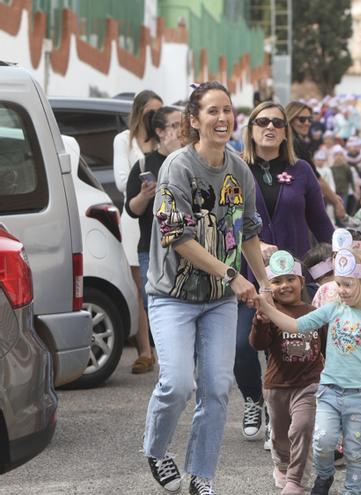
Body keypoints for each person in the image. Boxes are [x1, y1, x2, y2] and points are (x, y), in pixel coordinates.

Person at [143, 81, 270, 495]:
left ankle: (202, 474)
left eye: (228, 110)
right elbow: (177, 236)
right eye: (212, 111)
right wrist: (232, 276)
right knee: (178, 384)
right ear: (194, 121)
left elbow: (248, 233)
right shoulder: (177, 167)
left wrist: (264, 284)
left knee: (217, 387)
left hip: (218, 302)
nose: (222, 118)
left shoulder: (239, 169)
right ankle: (156, 449)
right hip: (172, 296)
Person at [234, 101, 335, 442]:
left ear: (285, 131)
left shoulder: (301, 170)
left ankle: (286, 414)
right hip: (248, 276)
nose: (270, 127)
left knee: (292, 347)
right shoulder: (235, 167)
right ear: (250, 128)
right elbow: (225, 223)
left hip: (294, 279)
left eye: (278, 122)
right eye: (262, 121)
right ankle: (253, 400)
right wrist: (254, 243)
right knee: (244, 346)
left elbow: (320, 223)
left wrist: (340, 264)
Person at [254, 249, 361, 495]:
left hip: (360, 396)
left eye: (347, 284)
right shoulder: (333, 310)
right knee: (323, 442)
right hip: (329, 391)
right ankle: (325, 474)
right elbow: (295, 325)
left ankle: (352, 490)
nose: (341, 290)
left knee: (354, 450)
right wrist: (267, 309)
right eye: (339, 284)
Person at [249, 252, 326, 494]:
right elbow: (258, 344)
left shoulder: (315, 312)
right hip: (276, 386)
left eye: (290, 279)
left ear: (302, 282)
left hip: (309, 383)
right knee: (281, 436)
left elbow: (326, 348)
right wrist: (260, 322)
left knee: (301, 427)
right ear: (268, 287)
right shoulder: (270, 313)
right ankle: (282, 464)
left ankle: (296, 480)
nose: (284, 286)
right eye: (277, 281)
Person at [124, 106, 182, 374]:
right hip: (151, 248)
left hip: (185, 246)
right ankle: (169, 361)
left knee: (184, 305)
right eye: (175, 125)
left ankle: (182, 361)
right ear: (160, 132)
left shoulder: (189, 160)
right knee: (155, 306)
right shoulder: (145, 164)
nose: (182, 130)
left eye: (184, 124)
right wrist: (145, 196)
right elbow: (132, 210)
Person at [114, 89, 162, 374]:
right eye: (149, 112)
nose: (154, 116)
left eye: (159, 111)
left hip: (161, 218)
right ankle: (145, 350)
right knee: (140, 288)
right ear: (138, 112)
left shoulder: (164, 141)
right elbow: (122, 181)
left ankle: (160, 346)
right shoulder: (125, 140)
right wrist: (144, 169)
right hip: (135, 218)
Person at [285, 101, 347, 220]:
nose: (307, 123)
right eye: (302, 119)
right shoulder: (294, 142)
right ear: (291, 119)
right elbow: (315, 178)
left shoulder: (294, 141)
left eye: (309, 119)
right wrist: (335, 201)